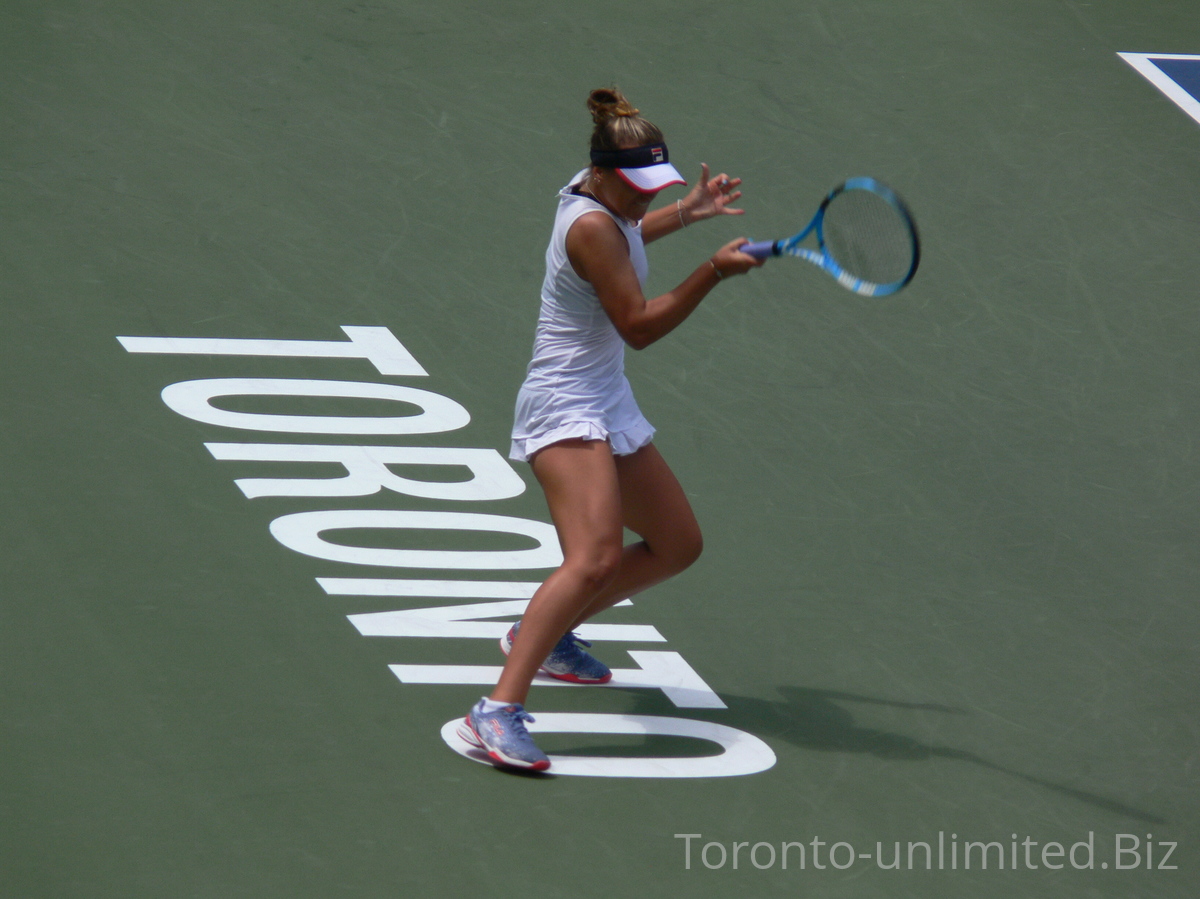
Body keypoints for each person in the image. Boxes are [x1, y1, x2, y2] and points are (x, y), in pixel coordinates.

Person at [457, 87, 762, 771]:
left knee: (678, 543)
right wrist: (712, 268)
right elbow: (640, 326)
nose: (646, 200)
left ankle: (552, 632)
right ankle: (496, 710)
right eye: (639, 188)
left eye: (659, 187)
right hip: (565, 402)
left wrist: (690, 213)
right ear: (601, 174)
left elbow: (627, 234)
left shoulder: (595, 198)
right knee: (591, 558)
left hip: (606, 397)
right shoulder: (592, 225)